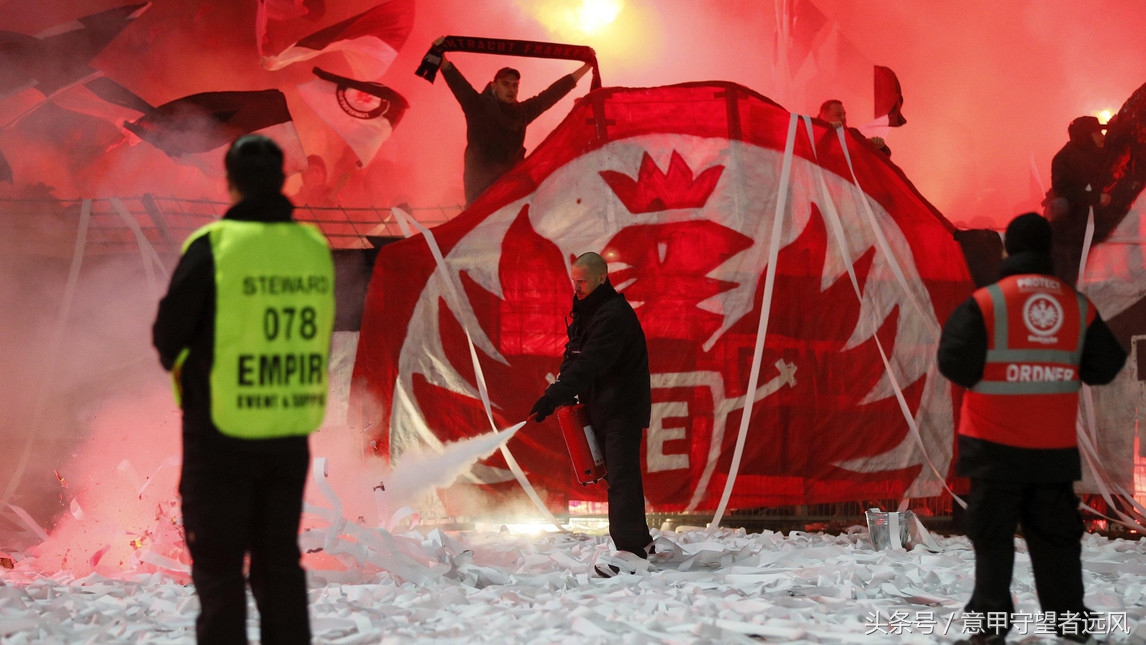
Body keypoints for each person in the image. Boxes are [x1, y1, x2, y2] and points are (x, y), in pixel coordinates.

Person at [153, 134, 336, 644]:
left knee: (219, 569)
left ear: (230, 183)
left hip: (221, 434)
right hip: (287, 433)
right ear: (282, 182)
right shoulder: (312, 247)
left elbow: (168, 337)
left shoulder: (214, 246)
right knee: (279, 564)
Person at [937, 212, 1126, 645]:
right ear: (1048, 251)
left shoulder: (987, 303)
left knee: (992, 541)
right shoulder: (1076, 306)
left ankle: (990, 627)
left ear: (1009, 250)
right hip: (1052, 453)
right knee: (1057, 542)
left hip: (992, 449)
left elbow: (953, 362)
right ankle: (1069, 623)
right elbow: (1106, 366)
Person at [529, 252, 653, 575]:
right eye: (574, 280)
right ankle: (641, 541)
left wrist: (556, 393)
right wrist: (559, 391)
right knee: (618, 476)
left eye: (582, 280)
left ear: (602, 277)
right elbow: (575, 354)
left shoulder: (614, 315)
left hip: (622, 409)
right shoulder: (587, 311)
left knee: (622, 478)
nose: (577, 286)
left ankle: (630, 551)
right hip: (602, 407)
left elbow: (592, 361)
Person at [438, 41, 592, 205]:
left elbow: (550, 95)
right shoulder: (478, 107)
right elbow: (458, 83)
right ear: (494, 86)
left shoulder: (521, 113)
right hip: (481, 197)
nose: (511, 89)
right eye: (505, 84)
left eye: (515, 85)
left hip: (509, 196)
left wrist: (586, 67)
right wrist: (439, 53)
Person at [1046, 115, 1111, 286]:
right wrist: (1096, 198)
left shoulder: (1102, 155)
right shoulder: (1064, 158)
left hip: (1096, 219)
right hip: (1076, 223)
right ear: (1086, 134)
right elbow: (1064, 191)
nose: (1102, 136)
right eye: (1098, 132)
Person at [817, 99, 892, 156]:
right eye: (838, 115)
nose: (843, 118)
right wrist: (828, 129)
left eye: (844, 114)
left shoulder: (852, 133)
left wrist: (880, 147)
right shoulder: (815, 137)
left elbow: (883, 155)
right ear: (824, 117)